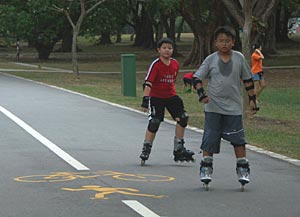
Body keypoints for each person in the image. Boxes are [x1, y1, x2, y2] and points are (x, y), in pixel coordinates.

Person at [193, 26, 258, 189]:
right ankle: (206, 168)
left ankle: (242, 168)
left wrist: (252, 100)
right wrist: (202, 95)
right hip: (213, 108)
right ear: (216, 43)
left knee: (238, 139)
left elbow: (248, 80)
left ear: (233, 42)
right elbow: (196, 78)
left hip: (234, 108)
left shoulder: (239, 58)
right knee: (210, 139)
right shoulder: (210, 59)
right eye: (221, 41)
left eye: (228, 41)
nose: (224, 44)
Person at [139, 38, 195, 166]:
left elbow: (172, 81)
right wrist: (145, 100)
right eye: (164, 48)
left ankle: (179, 148)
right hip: (156, 97)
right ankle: (146, 148)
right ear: (159, 50)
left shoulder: (175, 64)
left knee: (183, 117)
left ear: (173, 50)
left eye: (169, 48)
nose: (167, 50)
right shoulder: (156, 64)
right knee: (155, 122)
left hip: (170, 96)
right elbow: (148, 83)